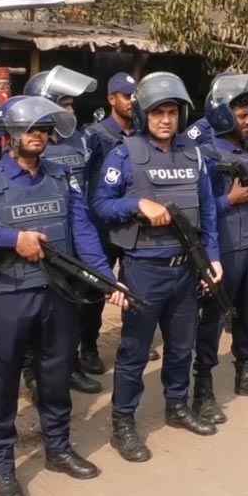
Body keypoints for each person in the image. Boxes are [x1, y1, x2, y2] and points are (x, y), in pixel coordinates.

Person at [0, 95, 111, 496]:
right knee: (2, 383)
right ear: (10, 134)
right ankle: (1, 467)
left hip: (58, 294)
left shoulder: (60, 176)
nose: (39, 136)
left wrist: (104, 276)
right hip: (8, 297)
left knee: (55, 379)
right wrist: (11, 239)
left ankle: (57, 448)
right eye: (30, 129)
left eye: (44, 129)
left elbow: (82, 228)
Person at [93, 72, 223, 460]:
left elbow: (209, 210)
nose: (166, 120)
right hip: (144, 269)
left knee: (182, 346)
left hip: (186, 267)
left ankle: (178, 405)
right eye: (157, 112)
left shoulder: (193, 154)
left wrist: (213, 257)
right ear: (144, 114)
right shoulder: (123, 153)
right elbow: (100, 205)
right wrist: (137, 205)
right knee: (133, 351)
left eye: (172, 112)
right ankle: (123, 423)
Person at [194, 74, 248, 420]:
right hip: (223, 251)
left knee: (246, 315)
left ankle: (245, 373)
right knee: (213, 320)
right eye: (242, 116)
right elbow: (197, 209)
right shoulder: (206, 152)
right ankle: (203, 388)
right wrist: (228, 200)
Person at [22, 65, 103, 395]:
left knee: (71, 310)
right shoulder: (29, 146)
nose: (71, 111)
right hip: (40, 243)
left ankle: (70, 365)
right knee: (35, 313)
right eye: (64, 105)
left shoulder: (81, 139)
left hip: (74, 238)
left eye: (71, 105)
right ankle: (30, 370)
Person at [84, 72, 160, 365]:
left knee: (134, 285)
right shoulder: (96, 135)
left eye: (134, 96)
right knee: (97, 287)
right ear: (111, 98)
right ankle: (88, 347)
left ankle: (134, 341)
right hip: (102, 224)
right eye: (126, 96)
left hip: (132, 222)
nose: (131, 102)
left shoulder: (142, 133)